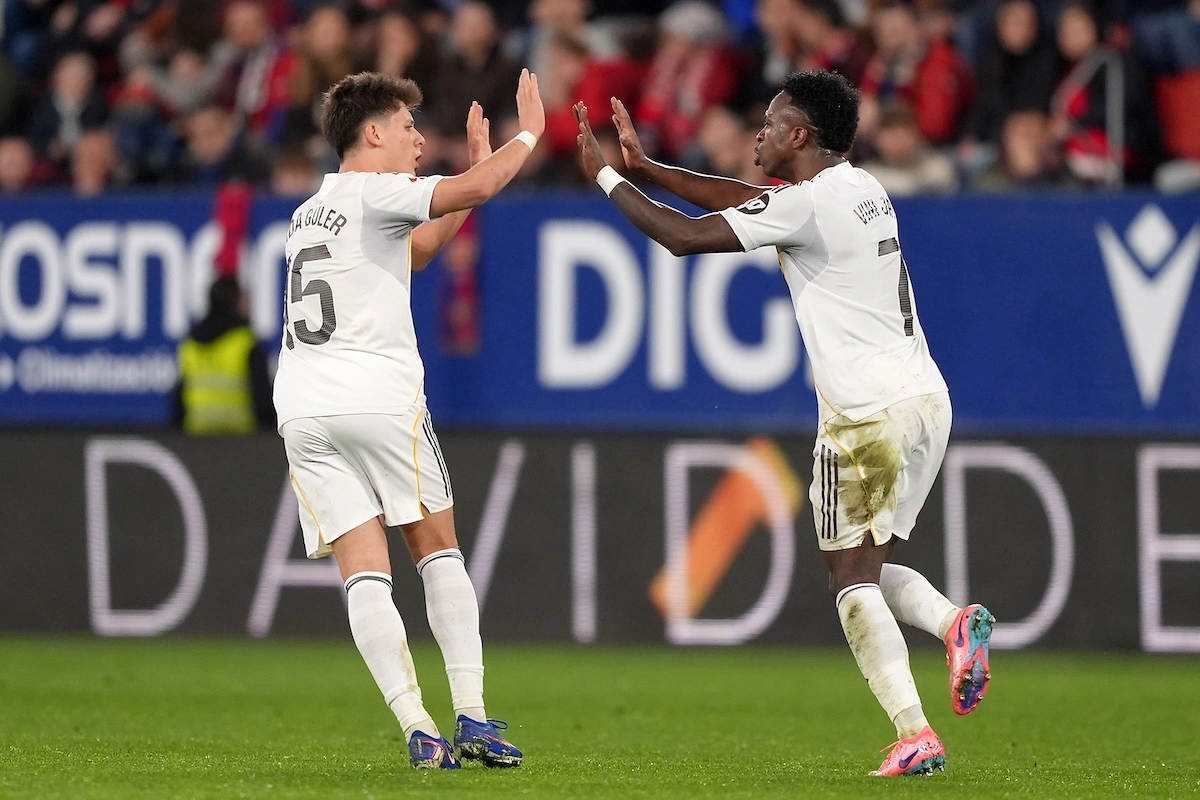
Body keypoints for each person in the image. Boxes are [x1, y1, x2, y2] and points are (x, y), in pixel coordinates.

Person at [574, 70, 994, 777]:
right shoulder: (861, 190)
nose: (757, 133)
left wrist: (606, 181)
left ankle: (915, 731)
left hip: (864, 413)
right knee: (868, 561)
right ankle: (952, 624)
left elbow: (683, 239)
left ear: (801, 135)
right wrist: (648, 168)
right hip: (927, 400)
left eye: (770, 123)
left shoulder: (807, 208)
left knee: (850, 580)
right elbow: (753, 203)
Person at [273, 69, 544, 769]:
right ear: (372, 134)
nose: (419, 141)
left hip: (303, 404)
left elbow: (418, 252)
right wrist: (529, 136)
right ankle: (474, 718)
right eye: (407, 128)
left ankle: (417, 728)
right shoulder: (378, 190)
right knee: (437, 549)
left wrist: (476, 171)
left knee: (362, 570)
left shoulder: (313, 209)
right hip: (377, 394)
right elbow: (478, 189)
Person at [174, 275, 275, 434]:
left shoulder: (190, 345)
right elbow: (262, 401)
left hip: (196, 439)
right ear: (235, 302)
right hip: (241, 440)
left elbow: (177, 401)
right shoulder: (245, 343)